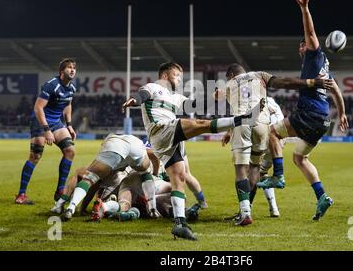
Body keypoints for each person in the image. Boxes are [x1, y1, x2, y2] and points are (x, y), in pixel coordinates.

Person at [122, 62, 273, 241]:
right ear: (164, 75)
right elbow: (142, 95)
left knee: (179, 178)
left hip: (166, 141)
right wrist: (134, 100)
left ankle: (179, 224)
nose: (179, 79)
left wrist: (215, 97)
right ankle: (243, 119)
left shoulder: (175, 98)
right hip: (160, 129)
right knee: (199, 124)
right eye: (176, 75)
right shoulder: (153, 87)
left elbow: (196, 104)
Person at [263, 0, 349, 221]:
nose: (301, 47)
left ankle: (278, 175)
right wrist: (341, 113)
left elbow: (311, 33)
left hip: (309, 113)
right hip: (322, 120)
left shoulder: (315, 55)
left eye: (301, 44)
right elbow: (337, 90)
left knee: (272, 132)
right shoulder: (323, 68)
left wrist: (304, 8)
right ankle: (322, 197)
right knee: (300, 158)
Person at [217, 63, 334, 226]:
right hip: (263, 126)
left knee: (241, 169)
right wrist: (311, 82)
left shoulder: (229, 83)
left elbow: (218, 95)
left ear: (230, 75)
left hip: (246, 125)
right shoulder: (259, 75)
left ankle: (245, 211)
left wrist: (220, 93)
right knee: (256, 169)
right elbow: (284, 83)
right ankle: (268, 207)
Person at [15, 58, 77, 205]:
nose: (72, 70)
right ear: (62, 71)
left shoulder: (71, 88)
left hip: (57, 123)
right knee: (35, 156)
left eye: (74, 67)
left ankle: (60, 191)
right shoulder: (51, 86)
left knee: (70, 151)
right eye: (69, 67)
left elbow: (68, 104)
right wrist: (46, 130)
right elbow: (38, 108)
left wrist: (69, 124)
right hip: (40, 121)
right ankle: (21, 195)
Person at [59, 133, 158, 221]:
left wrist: (74, 205)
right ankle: (152, 209)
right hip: (148, 184)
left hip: (118, 180)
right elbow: (152, 155)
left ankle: (70, 208)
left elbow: (83, 175)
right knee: (145, 174)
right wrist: (156, 174)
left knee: (90, 179)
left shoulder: (110, 147)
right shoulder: (140, 145)